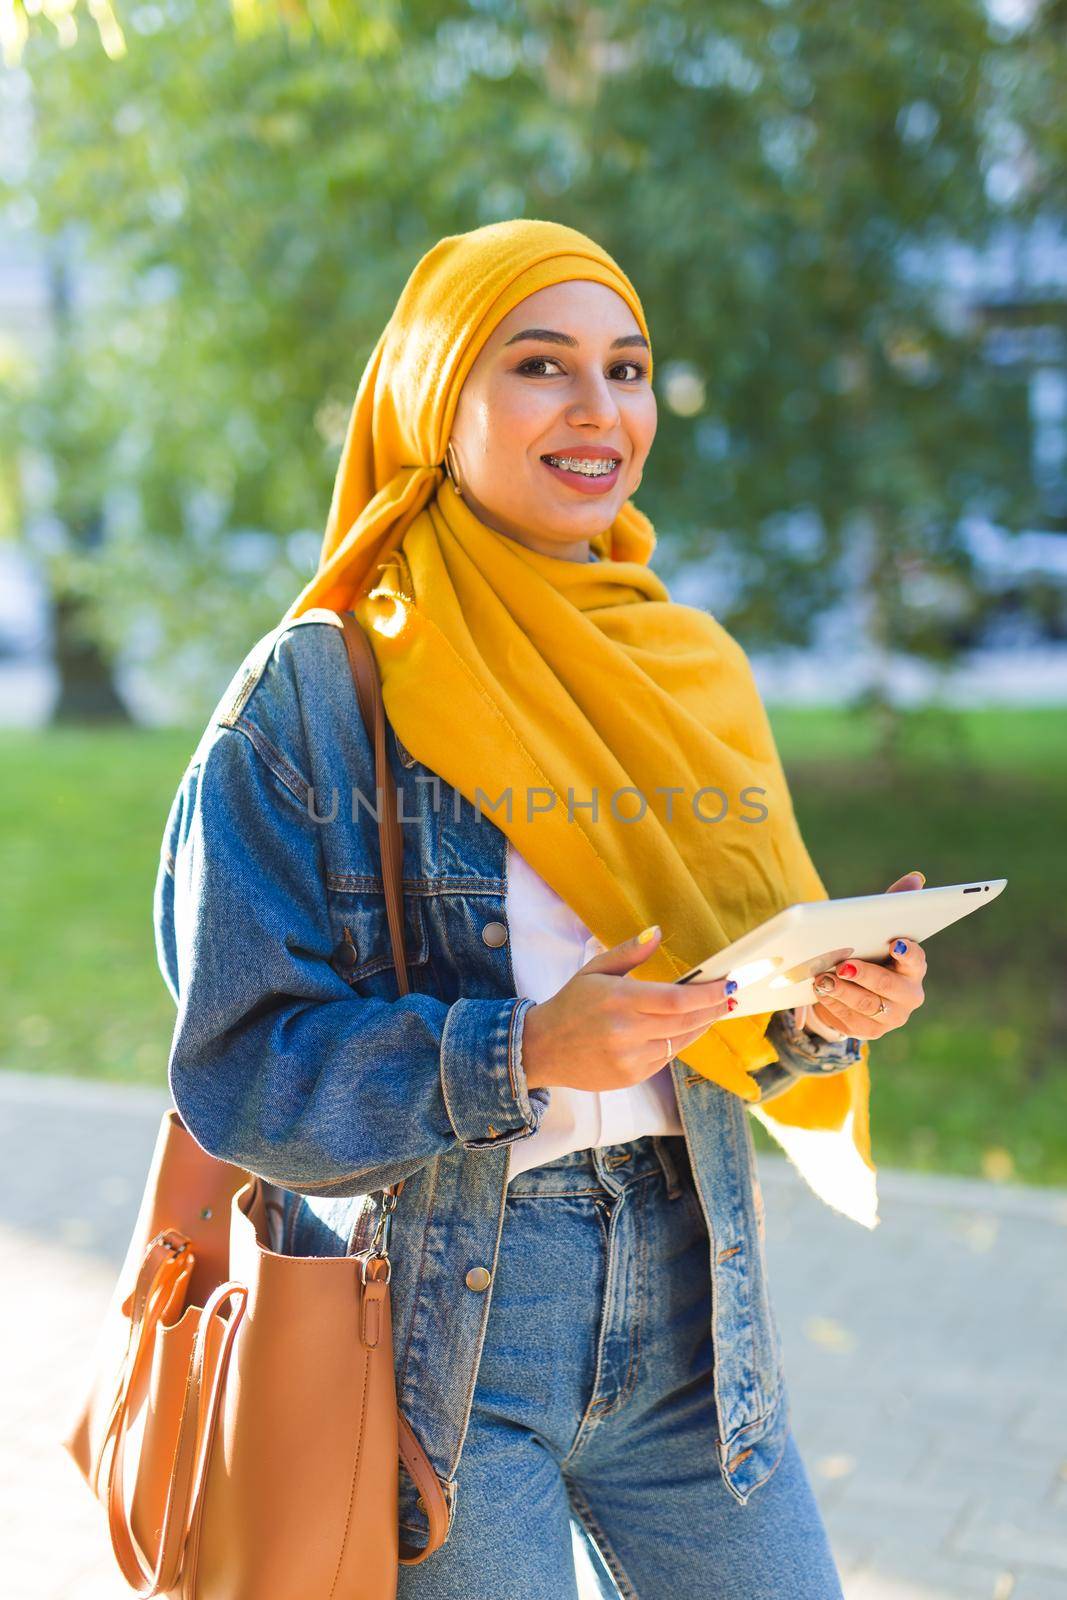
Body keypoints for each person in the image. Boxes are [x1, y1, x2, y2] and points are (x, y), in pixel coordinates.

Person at [153, 219, 928, 1600]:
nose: (599, 410)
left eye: (627, 369)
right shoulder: (323, 693)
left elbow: (739, 1015)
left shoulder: (682, 663)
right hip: (435, 1345)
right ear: (432, 399)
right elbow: (240, 1074)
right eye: (538, 365)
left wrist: (828, 1009)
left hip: (697, 1317)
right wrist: (523, 1052)